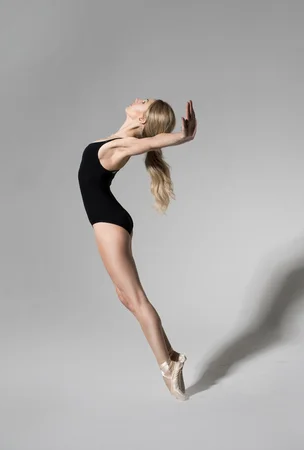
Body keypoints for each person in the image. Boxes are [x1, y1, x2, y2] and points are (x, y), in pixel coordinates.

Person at [77, 98, 197, 400]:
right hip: (109, 221)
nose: (138, 99)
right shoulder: (117, 139)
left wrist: (183, 137)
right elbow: (148, 141)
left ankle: (167, 367)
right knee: (126, 298)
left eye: (144, 102)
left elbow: (150, 143)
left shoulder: (123, 145)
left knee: (136, 299)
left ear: (143, 119)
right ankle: (171, 354)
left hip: (109, 223)